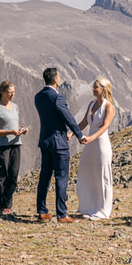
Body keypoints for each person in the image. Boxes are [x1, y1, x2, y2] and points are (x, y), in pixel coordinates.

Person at [34, 67, 86, 223]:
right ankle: (62, 214)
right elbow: (68, 118)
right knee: (61, 177)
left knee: (45, 176)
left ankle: (42, 211)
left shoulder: (39, 97)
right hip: (58, 142)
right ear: (55, 79)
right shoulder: (57, 98)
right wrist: (79, 135)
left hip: (45, 140)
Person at [75, 76, 115, 220]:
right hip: (90, 144)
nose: (93, 89)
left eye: (96, 87)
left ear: (103, 89)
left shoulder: (109, 106)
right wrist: (72, 133)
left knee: (103, 175)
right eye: (93, 86)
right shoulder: (92, 104)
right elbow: (84, 122)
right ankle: (92, 207)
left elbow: (105, 126)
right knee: (89, 173)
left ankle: (104, 210)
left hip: (101, 144)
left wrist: (91, 138)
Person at [0, 81, 29, 218]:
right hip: (2, 146)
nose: (12, 94)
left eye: (14, 92)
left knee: (13, 175)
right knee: (2, 175)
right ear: (2, 92)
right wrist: (10, 131)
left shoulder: (15, 107)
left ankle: (8, 205)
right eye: (9, 92)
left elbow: (15, 126)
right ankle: (0, 206)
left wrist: (20, 131)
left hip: (16, 144)